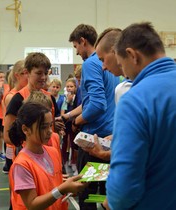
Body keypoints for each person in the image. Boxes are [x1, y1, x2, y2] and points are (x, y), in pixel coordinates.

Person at [104, 22, 176, 210]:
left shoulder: (135, 100)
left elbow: (123, 191)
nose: (125, 75)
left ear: (133, 55)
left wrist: (111, 200)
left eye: (122, 66)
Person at [66, 24, 119, 210]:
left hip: (93, 141)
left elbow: (96, 105)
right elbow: (91, 101)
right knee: (104, 193)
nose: (77, 52)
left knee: (86, 191)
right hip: (109, 138)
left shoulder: (91, 63)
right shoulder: (110, 66)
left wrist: (77, 122)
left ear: (83, 41)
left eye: (76, 47)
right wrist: (69, 115)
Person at [8, 102, 87, 210]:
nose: (50, 131)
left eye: (50, 125)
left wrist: (70, 187)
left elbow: (51, 186)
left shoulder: (53, 152)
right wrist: (62, 189)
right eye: (43, 127)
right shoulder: (22, 165)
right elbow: (32, 204)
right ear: (26, 129)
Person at [83, 28, 132, 160]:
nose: (103, 66)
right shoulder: (123, 86)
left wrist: (76, 120)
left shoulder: (131, 90)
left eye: (103, 59)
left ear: (115, 51)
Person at [4, 52, 64, 146]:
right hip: (29, 154)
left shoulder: (49, 97)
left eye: (45, 73)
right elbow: (7, 136)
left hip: (49, 152)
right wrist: (32, 145)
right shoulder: (18, 99)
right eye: (39, 73)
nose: (43, 77)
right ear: (27, 72)